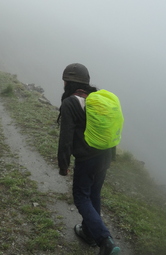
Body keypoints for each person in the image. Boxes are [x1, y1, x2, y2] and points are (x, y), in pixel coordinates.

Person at [57, 63, 121, 255]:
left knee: (81, 197)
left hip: (87, 159)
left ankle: (105, 241)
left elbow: (66, 139)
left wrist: (63, 165)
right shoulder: (97, 98)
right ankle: (88, 232)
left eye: (64, 82)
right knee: (94, 194)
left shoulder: (70, 103)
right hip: (105, 155)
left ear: (69, 82)